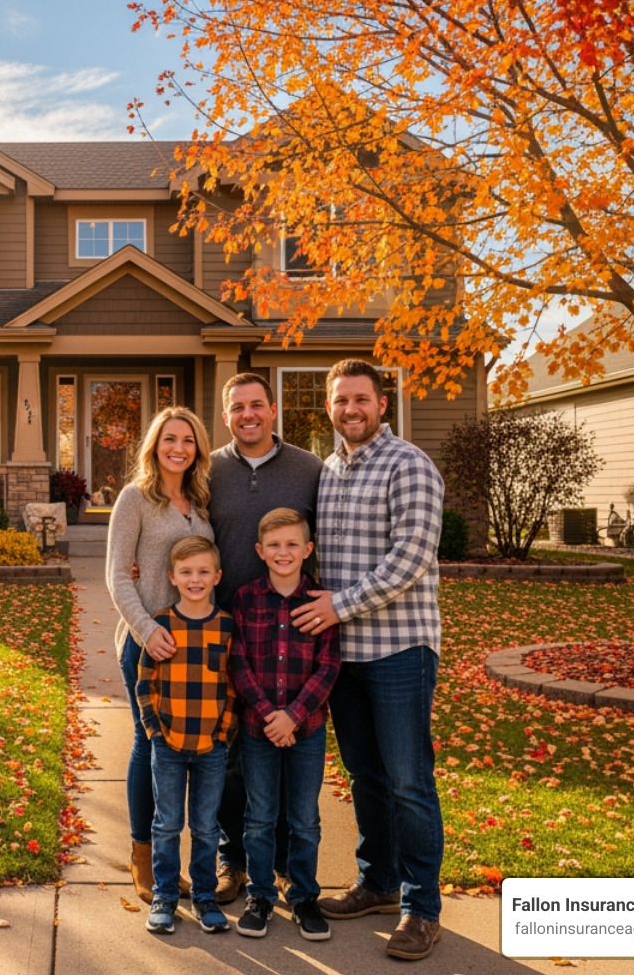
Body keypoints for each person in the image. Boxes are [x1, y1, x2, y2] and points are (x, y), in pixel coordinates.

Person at [289, 358, 445, 961]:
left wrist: (338, 607)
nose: (350, 409)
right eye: (339, 400)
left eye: (361, 398)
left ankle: (421, 906)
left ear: (382, 403)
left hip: (400, 648)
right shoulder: (328, 471)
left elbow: (409, 560)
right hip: (346, 657)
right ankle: (377, 883)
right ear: (328, 407)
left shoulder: (409, 465)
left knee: (409, 780)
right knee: (366, 776)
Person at [208, 373, 322, 903]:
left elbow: (327, 536)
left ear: (272, 410)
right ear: (226, 413)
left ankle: (281, 866)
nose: (247, 414)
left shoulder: (308, 469)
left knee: (289, 753)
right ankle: (233, 860)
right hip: (230, 630)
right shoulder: (208, 468)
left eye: (257, 405)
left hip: (294, 633)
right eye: (237, 407)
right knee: (233, 758)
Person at [106, 406, 214, 904]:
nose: (179, 448)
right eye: (170, 438)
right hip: (148, 645)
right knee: (149, 746)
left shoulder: (201, 501)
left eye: (188, 440)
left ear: (198, 448)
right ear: (155, 445)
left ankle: (173, 860)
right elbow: (114, 577)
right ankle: (142, 855)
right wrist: (147, 631)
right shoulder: (135, 499)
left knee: (190, 753)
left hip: (197, 648)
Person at [228, 508, 339, 940]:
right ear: (259, 551)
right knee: (259, 816)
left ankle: (304, 896)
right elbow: (239, 661)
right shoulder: (246, 598)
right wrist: (267, 714)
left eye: (292, 544)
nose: (283, 552)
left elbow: (328, 666)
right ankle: (260, 895)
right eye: (274, 545)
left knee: (304, 818)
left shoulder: (319, 600)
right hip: (258, 728)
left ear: (308, 549)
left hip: (306, 727)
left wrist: (292, 715)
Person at [135, 535, 235, 934]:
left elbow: (232, 686)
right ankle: (165, 894)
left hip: (212, 745)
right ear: (172, 577)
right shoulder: (161, 624)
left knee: (207, 825)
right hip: (169, 744)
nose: (195, 579)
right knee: (167, 823)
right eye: (187, 572)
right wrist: (155, 731)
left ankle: (205, 896)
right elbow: (146, 681)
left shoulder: (227, 626)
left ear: (217, 576)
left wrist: (224, 733)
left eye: (203, 572)